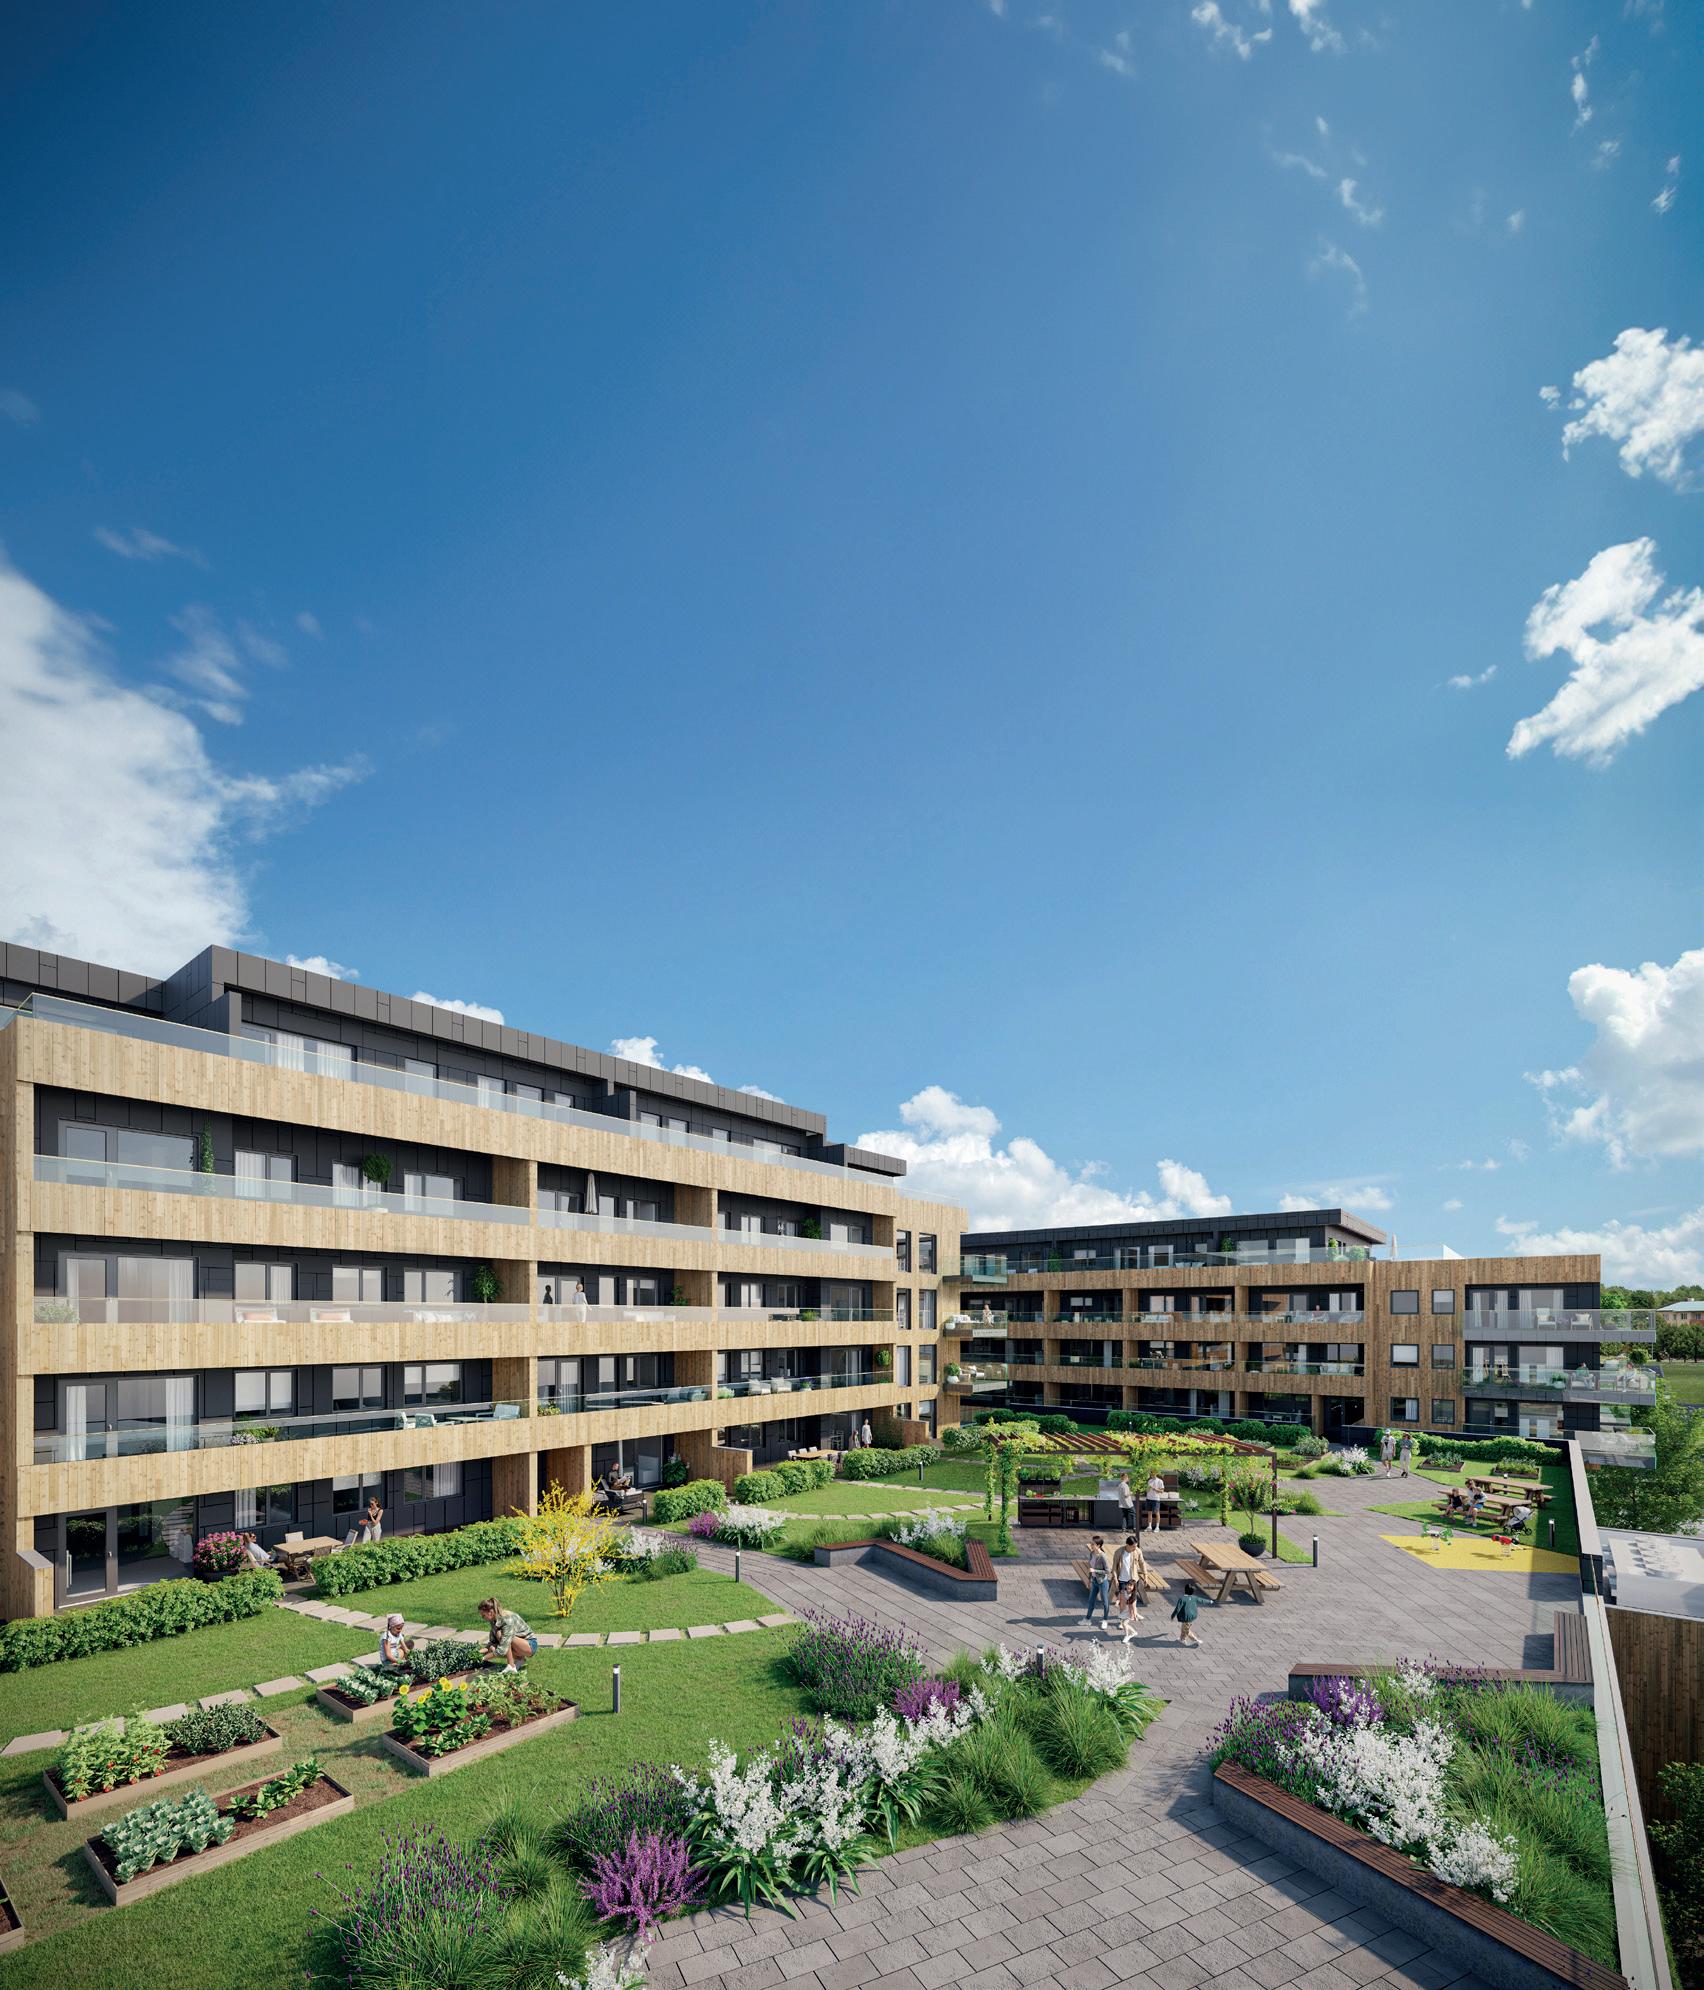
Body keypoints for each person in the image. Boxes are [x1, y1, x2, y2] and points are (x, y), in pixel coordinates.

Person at [478, 1597, 539, 1673]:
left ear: (490, 1612)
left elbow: (502, 1649)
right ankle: (519, 1659)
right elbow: (492, 1643)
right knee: (492, 1647)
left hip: (530, 1645)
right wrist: (477, 1653)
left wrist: (483, 1658)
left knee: (501, 1635)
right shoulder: (494, 1620)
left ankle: (511, 1666)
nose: (482, 1618)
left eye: (483, 1615)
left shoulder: (506, 1619)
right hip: (517, 1645)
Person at [1113, 1534, 1145, 1642]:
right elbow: (1114, 1567)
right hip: (1122, 1580)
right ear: (1127, 1545)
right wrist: (1115, 1578)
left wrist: (1145, 1575)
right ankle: (1122, 1619)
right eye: (1133, 1546)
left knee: (1133, 1599)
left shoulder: (1137, 1551)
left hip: (1133, 1580)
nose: (1135, 1548)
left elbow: (1142, 1563)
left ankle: (1134, 1613)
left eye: (1136, 1546)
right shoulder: (1119, 1552)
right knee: (1123, 1602)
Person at [1083, 1536, 1113, 1630]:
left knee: (1105, 1602)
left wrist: (1095, 1571)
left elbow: (1108, 1571)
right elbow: (1090, 1568)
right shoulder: (1092, 1553)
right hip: (1094, 1581)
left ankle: (1105, 1620)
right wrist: (1089, 1579)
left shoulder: (1102, 1556)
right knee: (1091, 1600)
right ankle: (1087, 1619)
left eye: (1093, 1544)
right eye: (1091, 1543)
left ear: (1098, 1545)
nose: (1091, 1545)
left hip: (1102, 1582)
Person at [1172, 1579, 1202, 1647]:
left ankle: (1195, 1640)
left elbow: (1177, 1609)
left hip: (1187, 1618)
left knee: (1186, 1630)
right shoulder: (1192, 1598)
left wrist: (1172, 1616)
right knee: (1184, 1628)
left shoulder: (1183, 1599)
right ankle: (1182, 1639)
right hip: (1190, 1617)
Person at [1145, 1472, 1166, 1537]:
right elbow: (1146, 1490)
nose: (1151, 1475)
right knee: (1149, 1513)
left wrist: (1154, 1488)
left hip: (1155, 1499)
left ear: (1156, 1474)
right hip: (1148, 1498)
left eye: (1152, 1474)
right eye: (1151, 1474)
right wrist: (1148, 1489)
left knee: (1157, 1513)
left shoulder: (1160, 1481)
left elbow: (1162, 1491)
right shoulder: (1149, 1481)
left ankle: (1157, 1527)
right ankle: (1149, 1526)